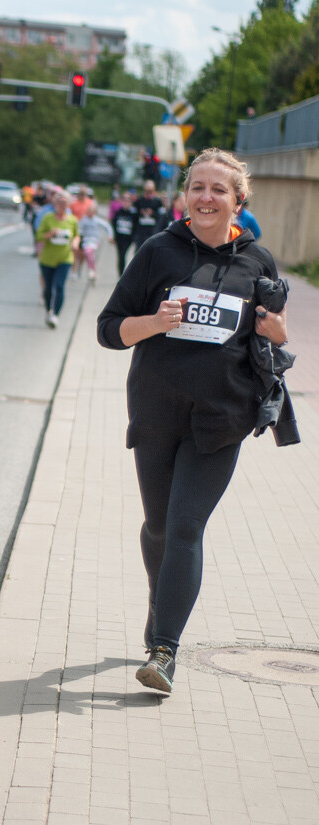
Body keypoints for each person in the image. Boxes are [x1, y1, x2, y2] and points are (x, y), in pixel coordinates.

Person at [96, 149, 290, 694]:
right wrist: (153, 322)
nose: (207, 197)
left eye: (218, 190)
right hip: (157, 412)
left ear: (238, 201)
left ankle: (164, 651)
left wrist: (277, 332)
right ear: (185, 196)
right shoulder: (158, 251)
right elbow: (108, 329)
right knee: (159, 526)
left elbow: (274, 336)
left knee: (185, 527)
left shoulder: (258, 262)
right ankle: (162, 604)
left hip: (223, 418)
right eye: (197, 187)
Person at [35, 190, 79, 328]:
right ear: (55, 204)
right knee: (48, 287)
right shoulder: (48, 218)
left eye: (65, 203)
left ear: (68, 205)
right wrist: (49, 234)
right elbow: (39, 235)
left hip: (65, 258)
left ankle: (55, 315)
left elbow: (76, 235)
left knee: (59, 286)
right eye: (60, 203)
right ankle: (49, 310)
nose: (62, 205)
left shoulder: (72, 220)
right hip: (48, 259)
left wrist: (75, 243)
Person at [77, 200, 114, 286]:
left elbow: (107, 226)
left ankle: (91, 270)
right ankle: (92, 270)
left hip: (94, 241)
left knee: (89, 252)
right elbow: (79, 229)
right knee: (88, 255)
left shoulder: (97, 220)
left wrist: (110, 236)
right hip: (86, 240)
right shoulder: (84, 220)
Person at [131, 180, 164, 253]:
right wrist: (141, 213)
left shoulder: (158, 202)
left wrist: (153, 213)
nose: (148, 194)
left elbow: (161, 217)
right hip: (141, 232)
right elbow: (133, 216)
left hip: (153, 231)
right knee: (139, 252)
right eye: (147, 192)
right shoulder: (139, 201)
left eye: (150, 192)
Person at [111, 190, 137, 276]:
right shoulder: (118, 212)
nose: (126, 202)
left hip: (128, 239)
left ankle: (123, 275)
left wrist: (134, 237)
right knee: (120, 256)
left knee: (123, 255)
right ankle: (120, 274)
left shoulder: (133, 213)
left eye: (128, 200)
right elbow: (114, 224)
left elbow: (136, 226)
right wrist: (113, 236)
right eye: (124, 199)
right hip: (119, 238)